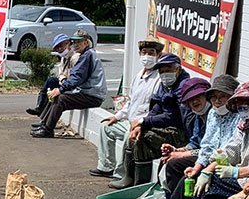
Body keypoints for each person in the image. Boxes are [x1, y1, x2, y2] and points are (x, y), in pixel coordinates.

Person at [146, 75, 240, 199]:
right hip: (211, 159)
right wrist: (193, 163)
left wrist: (203, 168)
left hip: (228, 164)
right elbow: (204, 144)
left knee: (193, 180)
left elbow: (229, 150)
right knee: (176, 166)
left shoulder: (237, 117)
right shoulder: (211, 115)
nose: (217, 101)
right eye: (215, 97)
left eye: (222, 97)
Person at [108, 53, 190, 189]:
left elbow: (173, 117)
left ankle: (141, 185)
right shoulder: (165, 85)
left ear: (178, 69)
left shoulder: (183, 86)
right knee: (135, 135)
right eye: (162, 71)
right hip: (166, 127)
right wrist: (142, 125)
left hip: (181, 131)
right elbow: (156, 108)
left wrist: (144, 122)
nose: (165, 74)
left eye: (168, 69)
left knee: (143, 140)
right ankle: (129, 178)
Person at [90, 37, 163, 179]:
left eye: (151, 52)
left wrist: (141, 123)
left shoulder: (159, 78)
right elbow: (131, 102)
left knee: (126, 138)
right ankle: (106, 167)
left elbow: (156, 109)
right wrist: (117, 116)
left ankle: (121, 174)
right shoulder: (138, 76)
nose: (147, 56)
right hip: (130, 121)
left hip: (144, 124)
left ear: (158, 55)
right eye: (144, 52)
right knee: (106, 127)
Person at [32, 30, 107, 138]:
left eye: (78, 42)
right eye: (74, 42)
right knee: (57, 94)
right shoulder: (86, 54)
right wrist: (61, 87)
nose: (75, 45)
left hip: (92, 95)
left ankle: (48, 129)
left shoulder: (86, 56)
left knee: (61, 98)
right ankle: (44, 123)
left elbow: (77, 77)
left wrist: (61, 89)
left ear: (86, 42)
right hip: (88, 92)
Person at [26, 34, 79, 117]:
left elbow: (75, 77)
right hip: (65, 83)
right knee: (50, 82)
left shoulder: (75, 58)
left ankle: (44, 112)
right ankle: (40, 107)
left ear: (68, 44)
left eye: (61, 46)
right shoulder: (64, 58)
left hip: (72, 87)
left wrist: (65, 83)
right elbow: (61, 73)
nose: (59, 49)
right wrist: (63, 80)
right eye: (57, 48)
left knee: (53, 91)